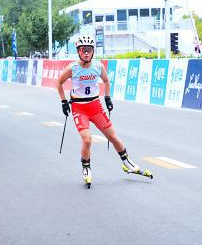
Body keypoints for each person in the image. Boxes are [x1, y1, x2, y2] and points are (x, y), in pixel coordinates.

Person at [56, 35, 150, 187]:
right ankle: (86, 167)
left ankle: (127, 163)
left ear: (93, 51)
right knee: (87, 139)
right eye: (83, 50)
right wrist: (63, 102)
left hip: (95, 106)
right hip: (79, 108)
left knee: (113, 136)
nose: (86, 53)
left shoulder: (98, 67)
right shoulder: (72, 68)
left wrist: (107, 98)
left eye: (89, 50)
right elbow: (59, 83)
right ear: (78, 51)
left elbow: (106, 81)